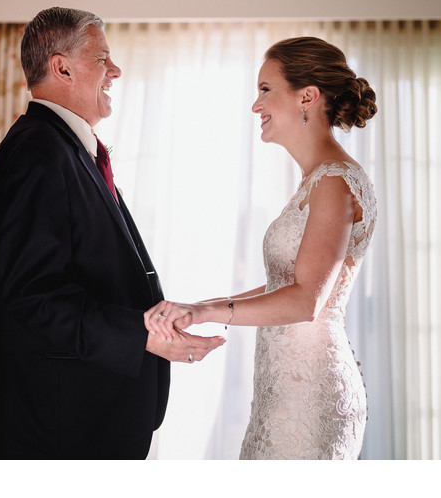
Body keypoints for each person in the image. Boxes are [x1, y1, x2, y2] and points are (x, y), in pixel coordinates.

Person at [0, 7, 225, 460]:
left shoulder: (66, 148)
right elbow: (34, 301)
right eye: (103, 58)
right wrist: (142, 336)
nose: (116, 70)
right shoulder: (38, 153)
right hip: (57, 436)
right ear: (62, 67)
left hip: (84, 424)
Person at [145, 37, 377, 459]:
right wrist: (195, 306)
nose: (256, 105)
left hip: (308, 397)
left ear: (307, 96)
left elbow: (307, 300)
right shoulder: (317, 180)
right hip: (283, 388)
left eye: (265, 90)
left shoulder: (334, 182)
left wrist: (208, 312)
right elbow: (282, 283)